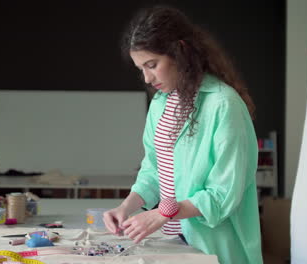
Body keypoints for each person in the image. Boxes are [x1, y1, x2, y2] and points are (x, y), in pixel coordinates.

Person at [103, 6, 263, 264]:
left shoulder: (224, 104)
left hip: (216, 247)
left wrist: (162, 213)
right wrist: (127, 206)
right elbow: (154, 169)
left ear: (180, 51)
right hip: (174, 243)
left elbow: (223, 194)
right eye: (141, 68)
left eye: (152, 65)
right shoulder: (161, 104)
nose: (146, 77)